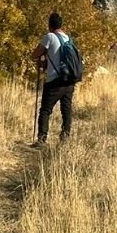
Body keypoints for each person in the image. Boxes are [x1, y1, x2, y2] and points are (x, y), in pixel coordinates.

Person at [32, 11, 75, 145]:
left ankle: (42, 139)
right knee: (66, 110)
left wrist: (41, 59)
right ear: (61, 25)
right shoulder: (68, 38)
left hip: (54, 81)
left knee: (45, 110)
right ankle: (65, 138)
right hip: (69, 81)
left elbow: (35, 54)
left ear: (50, 25)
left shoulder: (49, 37)